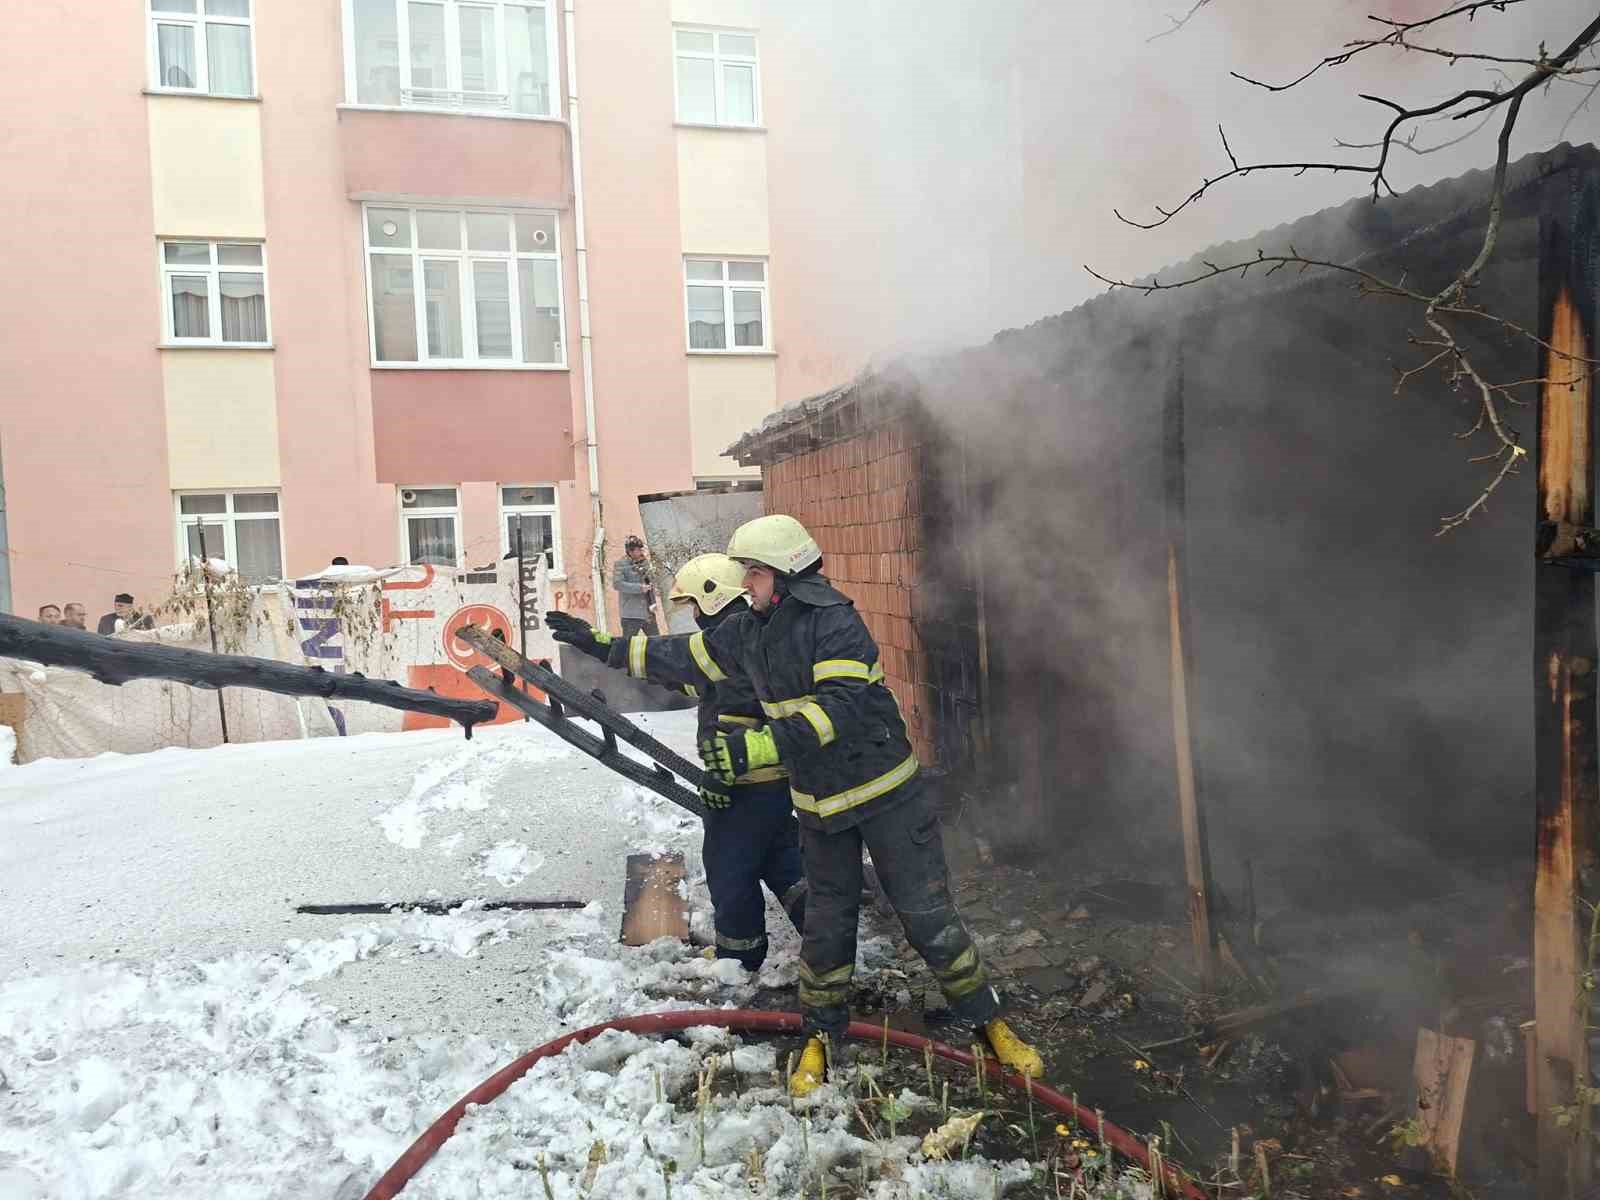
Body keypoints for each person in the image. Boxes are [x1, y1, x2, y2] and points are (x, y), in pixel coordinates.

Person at [549, 514, 1043, 1096]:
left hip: (886, 797)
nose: (746, 585)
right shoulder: (749, 630)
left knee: (926, 915)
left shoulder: (838, 626)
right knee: (827, 927)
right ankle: (819, 1035)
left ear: (783, 575)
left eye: (753, 573)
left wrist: (756, 745)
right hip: (820, 805)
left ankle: (989, 1022)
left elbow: (837, 709)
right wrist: (599, 644)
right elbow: (680, 656)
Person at [550, 553, 805, 971]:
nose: (693, 616)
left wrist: (723, 778)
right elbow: (686, 671)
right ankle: (821, 930)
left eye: (694, 606)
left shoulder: (732, 639)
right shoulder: (753, 633)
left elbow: (732, 710)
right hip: (774, 784)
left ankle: (739, 960)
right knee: (780, 858)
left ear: (713, 597)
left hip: (743, 782)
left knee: (730, 869)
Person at [612, 535, 659, 639]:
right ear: (630, 551)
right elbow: (617, 584)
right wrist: (639, 588)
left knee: (657, 642)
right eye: (639, 549)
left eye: (641, 549)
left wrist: (653, 601)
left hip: (648, 613)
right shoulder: (620, 564)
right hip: (631, 614)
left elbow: (650, 583)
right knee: (628, 645)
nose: (641, 551)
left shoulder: (646, 563)